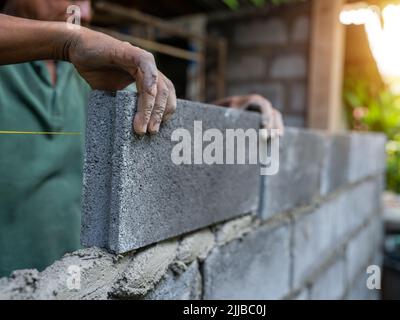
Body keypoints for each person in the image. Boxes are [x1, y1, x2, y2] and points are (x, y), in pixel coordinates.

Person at [0, 0, 283, 277]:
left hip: (71, 281)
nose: (84, 12)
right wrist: (68, 40)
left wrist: (228, 118)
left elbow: (153, 123)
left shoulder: (88, 76)